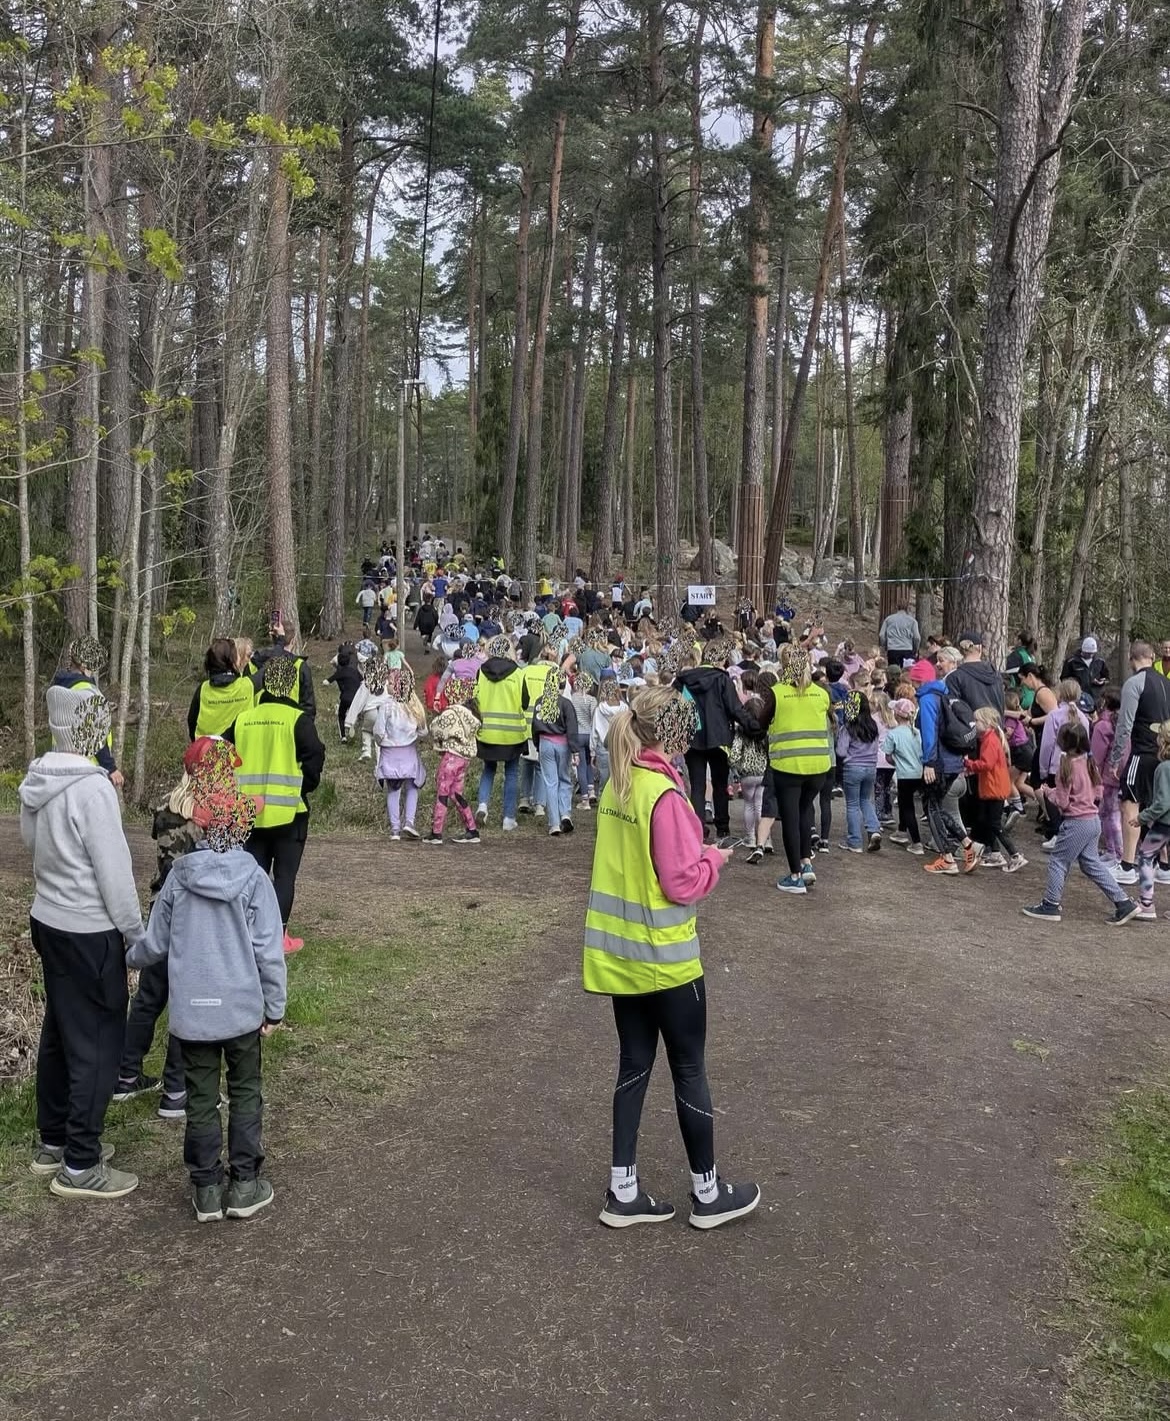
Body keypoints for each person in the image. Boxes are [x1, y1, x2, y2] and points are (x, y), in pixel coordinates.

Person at [584, 686, 758, 1230]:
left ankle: (623, 1190)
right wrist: (714, 861)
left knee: (633, 1066)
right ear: (677, 733)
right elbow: (681, 882)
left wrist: (695, 854)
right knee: (689, 1071)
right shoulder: (664, 794)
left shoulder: (619, 781)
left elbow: (641, 860)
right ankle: (708, 1193)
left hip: (623, 960)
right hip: (669, 963)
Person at [127, 741, 286, 1222]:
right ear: (242, 826)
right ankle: (245, 1183)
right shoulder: (254, 878)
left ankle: (207, 1190)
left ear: (200, 825)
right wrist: (275, 1007)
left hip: (193, 1014)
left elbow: (154, 945)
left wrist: (125, 955)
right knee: (245, 1090)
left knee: (200, 1097)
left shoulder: (177, 878)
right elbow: (268, 951)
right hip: (241, 1011)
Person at [20, 688, 144, 1199]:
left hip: (48, 919)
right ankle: (81, 1163)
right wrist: (136, 935)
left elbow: (32, 845)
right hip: (90, 930)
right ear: (92, 728)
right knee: (97, 1040)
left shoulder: (37, 779)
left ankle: (54, 1142)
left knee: (60, 1030)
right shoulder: (93, 789)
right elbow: (115, 874)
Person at [113, 744, 208, 1120]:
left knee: (149, 996)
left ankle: (125, 1074)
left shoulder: (166, 806)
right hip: (193, 914)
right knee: (187, 997)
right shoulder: (210, 812)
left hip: (160, 906)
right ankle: (176, 1088)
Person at [228, 655, 326, 953]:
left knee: (252, 875)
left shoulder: (243, 719)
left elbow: (224, 754)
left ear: (265, 683)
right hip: (289, 813)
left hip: (248, 813)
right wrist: (304, 786)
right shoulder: (298, 720)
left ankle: (247, 932)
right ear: (292, 684)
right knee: (284, 877)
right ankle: (278, 936)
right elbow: (315, 755)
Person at [1023, 723, 1138, 925]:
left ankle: (1050, 904)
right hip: (1093, 821)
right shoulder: (1089, 762)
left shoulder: (1065, 767)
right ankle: (1123, 902)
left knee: (1058, 861)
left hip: (1076, 823)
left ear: (1062, 743)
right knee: (1090, 863)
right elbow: (1098, 792)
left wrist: (1047, 792)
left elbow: (1062, 802)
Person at [754, 645, 833, 894]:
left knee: (790, 817)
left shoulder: (777, 693)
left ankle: (795, 875)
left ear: (784, 666)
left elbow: (760, 723)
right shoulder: (821, 693)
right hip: (818, 765)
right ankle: (806, 862)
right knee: (805, 810)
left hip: (788, 765)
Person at [674, 638, 757, 846]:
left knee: (698, 786)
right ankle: (722, 829)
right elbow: (735, 709)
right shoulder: (722, 680)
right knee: (720, 785)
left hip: (693, 737)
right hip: (719, 738)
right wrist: (755, 727)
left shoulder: (684, 680)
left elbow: (675, 707)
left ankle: (697, 830)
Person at [912, 653, 981, 875]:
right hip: (953, 761)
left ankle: (947, 858)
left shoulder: (927, 700)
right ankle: (968, 845)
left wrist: (929, 762)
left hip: (939, 762)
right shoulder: (945, 695)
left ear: (918, 680)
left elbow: (929, 734)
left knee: (932, 807)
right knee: (938, 806)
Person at [1108, 641, 1170, 884]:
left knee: (1129, 805)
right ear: (1152, 656)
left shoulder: (1134, 683)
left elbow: (1125, 724)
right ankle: (1164, 865)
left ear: (1131, 659)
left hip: (1142, 752)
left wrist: (1115, 759)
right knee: (1159, 807)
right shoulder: (1166, 683)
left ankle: (1126, 865)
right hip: (1164, 753)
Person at [49, 635, 123, 787]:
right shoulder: (89, 692)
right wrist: (111, 768)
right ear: (83, 666)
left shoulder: (58, 689)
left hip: (60, 767)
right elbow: (95, 736)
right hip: (88, 770)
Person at [474, 634, 528, 830]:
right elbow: (525, 702)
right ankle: (508, 818)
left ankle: (482, 805)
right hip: (512, 734)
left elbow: (475, 698)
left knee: (488, 770)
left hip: (487, 731)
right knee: (511, 773)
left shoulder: (481, 672)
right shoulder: (518, 673)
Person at [963, 707, 1026, 872]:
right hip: (993, 787)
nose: (974, 724)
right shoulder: (991, 738)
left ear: (987, 723)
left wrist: (969, 764)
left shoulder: (989, 741)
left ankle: (1014, 854)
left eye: (977, 721)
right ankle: (996, 853)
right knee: (987, 820)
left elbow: (986, 764)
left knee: (994, 824)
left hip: (994, 788)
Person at [424, 675, 482, 845]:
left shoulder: (451, 713)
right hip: (464, 759)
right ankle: (472, 830)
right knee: (456, 794)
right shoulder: (471, 716)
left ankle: (436, 832)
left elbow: (435, 728)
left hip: (451, 757)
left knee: (442, 792)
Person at [374, 665, 429, 841]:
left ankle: (395, 829)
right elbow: (424, 731)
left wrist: (383, 741)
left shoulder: (386, 706)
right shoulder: (414, 706)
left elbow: (379, 731)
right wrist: (412, 736)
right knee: (412, 786)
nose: (387, 685)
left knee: (393, 790)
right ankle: (409, 822)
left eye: (390, 683)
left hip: (390, 752)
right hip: (409, 753)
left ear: (397, 685)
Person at [838, 687, 883, 853]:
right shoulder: (873, 726)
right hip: (871, 768)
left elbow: (841, 751)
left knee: (852, 805)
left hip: (852, 768)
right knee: (865, 800)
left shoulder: (848, 728)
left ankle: (854, 841)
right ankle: (874, 830)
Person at [1134, 724, 1170, 920]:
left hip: (1164, 824)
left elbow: (1162, 803)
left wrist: (1143, 817)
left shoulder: (1164, 768)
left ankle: (1146, 903)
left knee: (1146, 856)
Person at [188, 638, 256, 740]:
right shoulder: (247, 685)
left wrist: (196, 742)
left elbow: (191, 720)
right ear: (232, 660)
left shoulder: (203, 689)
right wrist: (280, 640)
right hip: (236, 746)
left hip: (205, 747)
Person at [250, 621, 316, 718]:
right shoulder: (300, 666)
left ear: (272, 639)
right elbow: (308, 706)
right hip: (290, 721)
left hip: (257, 720)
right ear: (293, 641)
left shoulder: (254, 662)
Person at [883, 698, 924, 854]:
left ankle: (917, 842)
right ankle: (901, 830)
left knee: (907, 807)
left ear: (896, 714)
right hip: (920, 773)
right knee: (905, 802)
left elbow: (888, 756)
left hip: (904, 774)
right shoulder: (917, 732)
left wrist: (897, 762)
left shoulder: (893, 734)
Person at [1091, 691, 1123, 865]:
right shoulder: (1125, 722)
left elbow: (1096, 756)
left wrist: (1094, 776)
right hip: (1123, 774)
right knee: (1113, 813)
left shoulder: (1102, 726)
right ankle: (1116, 852)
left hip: (1108, 775)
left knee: (1110, 814)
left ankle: (1116, 853)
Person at [945, 632, 1005, 715]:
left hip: (971, 723)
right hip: (996, 722)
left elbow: (954, 710)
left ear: (960, 650)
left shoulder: (954, 677)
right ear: (980, 648)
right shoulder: (996, 675)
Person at [569, 670, 598, 809]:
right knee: (588, 763)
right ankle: (591, 790)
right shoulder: (592, 700)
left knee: (580, 765)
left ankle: (584, 799)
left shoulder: (572, 698)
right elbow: (594, 718)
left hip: (577, 734)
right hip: (589, 734)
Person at [323, 645, 363, 743]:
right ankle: (352, 723)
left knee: (341, 715)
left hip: (345, 697)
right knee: (354, 712)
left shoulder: (340, 672)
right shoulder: (355, 671)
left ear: (339, 662)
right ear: (349, 661)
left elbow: (326, 682)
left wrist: (324, 682)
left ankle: (343, 737)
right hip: (357, 698)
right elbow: (362, 681)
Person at [592, 674, 624, 793]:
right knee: (618, 775)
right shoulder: (625, 709)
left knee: (604, 776)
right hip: (619, 745)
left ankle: (602, 797)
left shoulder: (599, 709)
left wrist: (592, 750)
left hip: (602, 746)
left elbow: (595, 730)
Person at [878, 597, 920, 668]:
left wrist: (885, 646)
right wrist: (915, 649)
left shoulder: (888, 619)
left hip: (892, 650)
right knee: (907, 672)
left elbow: (881, 635)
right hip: (907, 649)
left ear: (896, 607)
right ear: (907, 607)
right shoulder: (912, 621)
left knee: (893, 672)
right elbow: (917, 638)